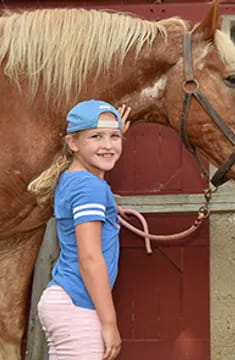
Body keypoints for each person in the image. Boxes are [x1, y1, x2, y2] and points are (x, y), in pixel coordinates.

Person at [28, 100, 131, 360]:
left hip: (65, 300)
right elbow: (89, 258)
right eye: (96, 136)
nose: (108, 145)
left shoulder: (76, 179)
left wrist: (102, 146)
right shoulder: (90, 188)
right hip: (78, 303)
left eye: (115, 137)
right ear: (73, 143)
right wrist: (109, 323)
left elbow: (96, 173)